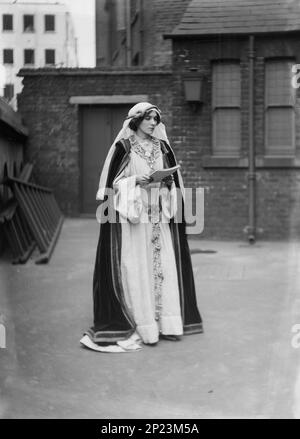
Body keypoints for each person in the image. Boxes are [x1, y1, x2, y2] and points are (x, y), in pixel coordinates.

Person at [80, 102, 203, 352]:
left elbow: (173, 185)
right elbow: (114, 185)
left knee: (163, 267)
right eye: (148, 118)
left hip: (158, 217)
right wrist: (138, 180)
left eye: (156, 119)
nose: (153, 123)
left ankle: (166, 324)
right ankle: (143, 324)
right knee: (137, 267)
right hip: (134, 219)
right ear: (136, 120)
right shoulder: (124, 147)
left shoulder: (163, 147)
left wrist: (167, 183)